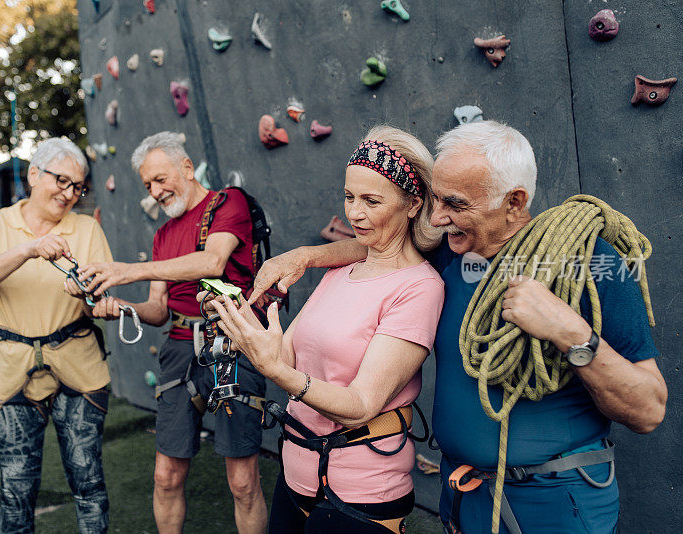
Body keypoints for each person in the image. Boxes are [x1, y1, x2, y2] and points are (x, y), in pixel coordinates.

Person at [248, 120, 668, 533]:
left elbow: (648, 410)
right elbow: (380, 242)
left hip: (556, 502)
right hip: (465, 497)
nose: (437, 217)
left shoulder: (588, 264)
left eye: (456, 204)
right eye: (435, 200)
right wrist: (304, 256)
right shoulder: (452, 256)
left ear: (514, 202)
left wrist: (569, 332)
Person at [206, 126, 446, 533]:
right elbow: (286, 358)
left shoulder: (419, 287)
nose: (354, 213)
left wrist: (276, 370)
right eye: (350, 197)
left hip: (362, 492)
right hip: (296, 472)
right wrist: (238, 319)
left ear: (412, 204)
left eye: (372, 200)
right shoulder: (340, 271)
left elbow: (361, 404)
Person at [75, 132, 267, 534]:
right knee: (166, 475)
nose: (156, 191)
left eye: (161, 179)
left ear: (186, 166)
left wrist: (131, 269)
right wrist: (121, 308)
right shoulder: (162, 235)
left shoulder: (227, 201)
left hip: (232, 343)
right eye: (147, 185)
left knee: (243, 481)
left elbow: (212, 262)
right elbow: (159, 310)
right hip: (179, 349)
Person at [0, 137, 112, 533]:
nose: (68, 194)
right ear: (33, 174)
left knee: (89, 483)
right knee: (16, 490)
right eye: (61, 180)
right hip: (9, 370)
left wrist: (96, 300)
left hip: (79, 368)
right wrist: (29, 248)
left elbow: (100, 301)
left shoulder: (87, 228)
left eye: (77, 186)